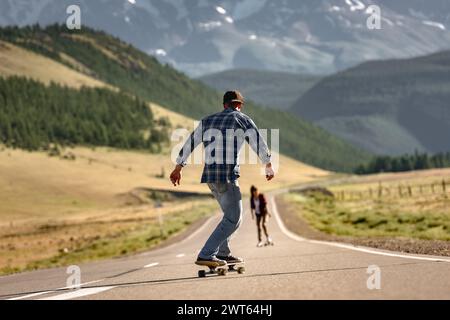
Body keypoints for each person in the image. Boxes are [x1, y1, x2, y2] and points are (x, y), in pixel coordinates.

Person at [170, 90, 275, 268]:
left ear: (224, 105)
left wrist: (178, 167)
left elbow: (190, 142)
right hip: (227, 175)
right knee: (234, 218)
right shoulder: (242, 119)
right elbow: (257, 141)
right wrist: (268, 164)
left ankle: (223, 253)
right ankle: (207, 254)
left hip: (211, 177)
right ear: (239, 105)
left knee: (229, 216)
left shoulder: (208, 120)